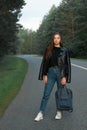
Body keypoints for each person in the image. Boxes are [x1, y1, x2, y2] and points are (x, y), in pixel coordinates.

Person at [34, 32, 71, 121]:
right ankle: (40, 113)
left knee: (60, 94)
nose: (56, 40)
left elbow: (67, 65)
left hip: (60, 74)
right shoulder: (48, 50)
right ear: (53, 40)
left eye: (58, 38)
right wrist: (45, 74)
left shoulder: (64, 50)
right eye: (55, 38)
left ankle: (59, 111)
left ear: (60, 39)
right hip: (50, 73)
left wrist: (64, 77)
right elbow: (45, 63)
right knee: (46, 94)